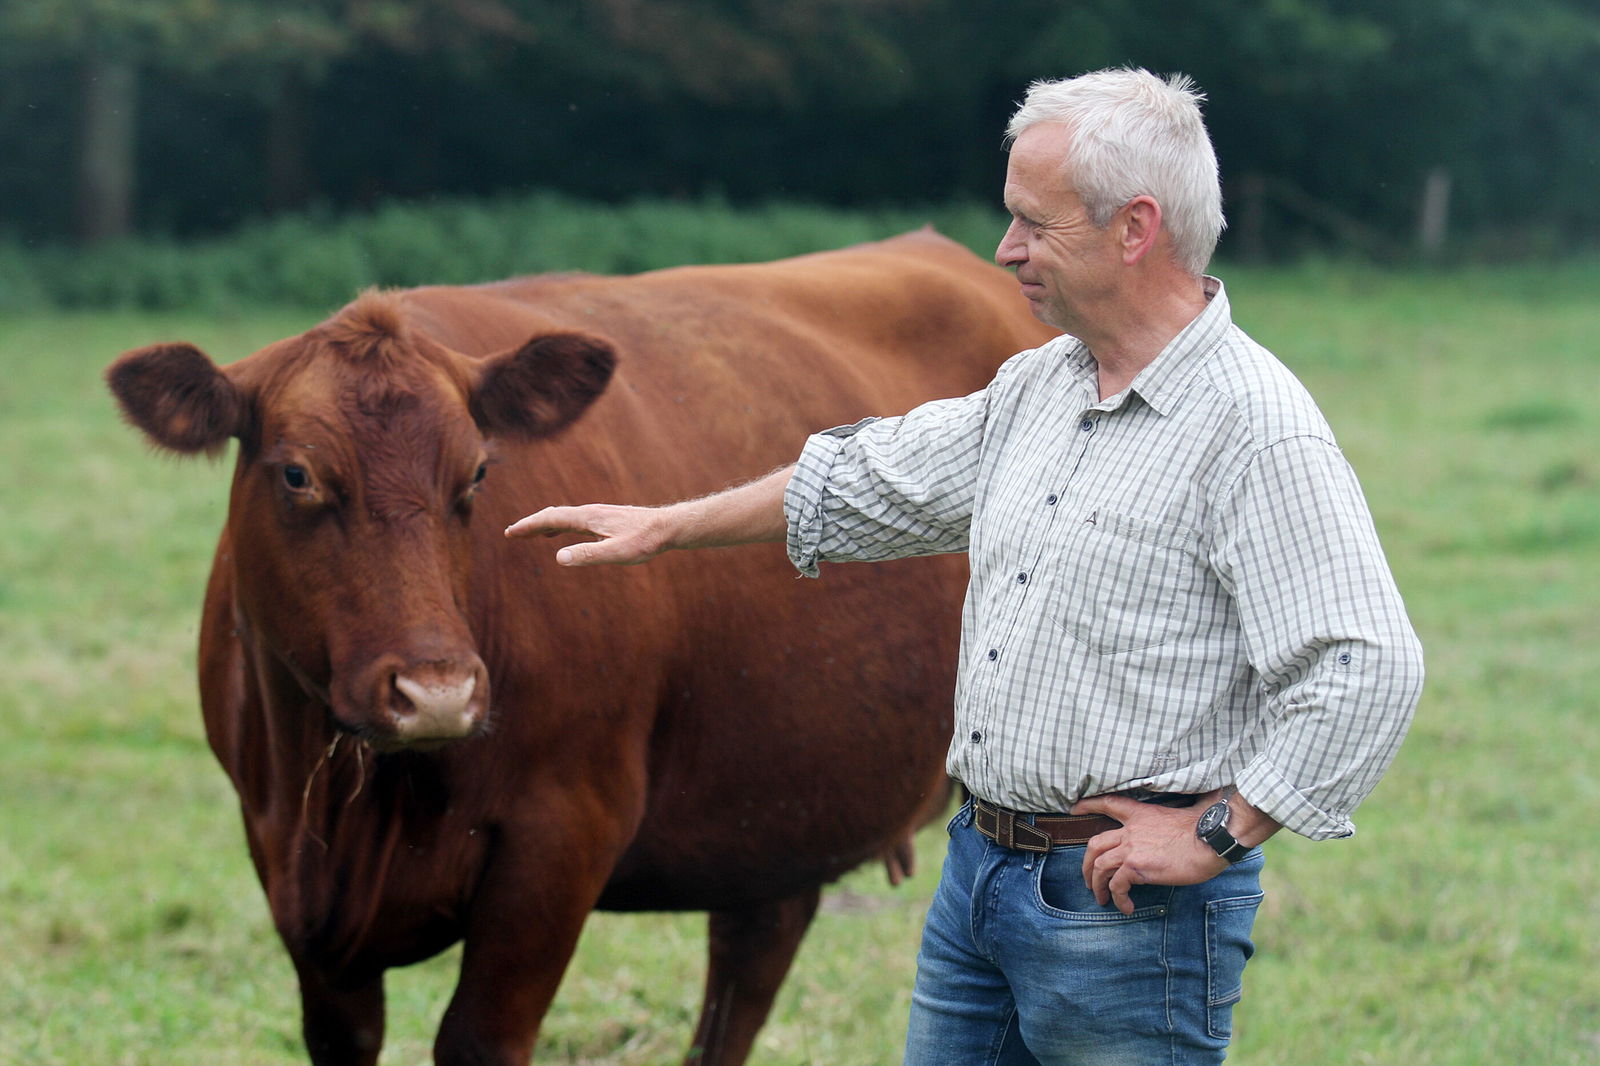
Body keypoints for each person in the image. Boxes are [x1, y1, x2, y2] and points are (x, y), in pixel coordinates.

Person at [505, 67, 1424, 1065]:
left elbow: (1364, 663)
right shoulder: (1041, 383)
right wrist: (666, 524)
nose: (1005, 250)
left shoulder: (1253, 427)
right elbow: (870, 477)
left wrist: (1214, 832)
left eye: (1034, 223)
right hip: (980, 874)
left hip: (1125, 907)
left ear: (1134, 228)